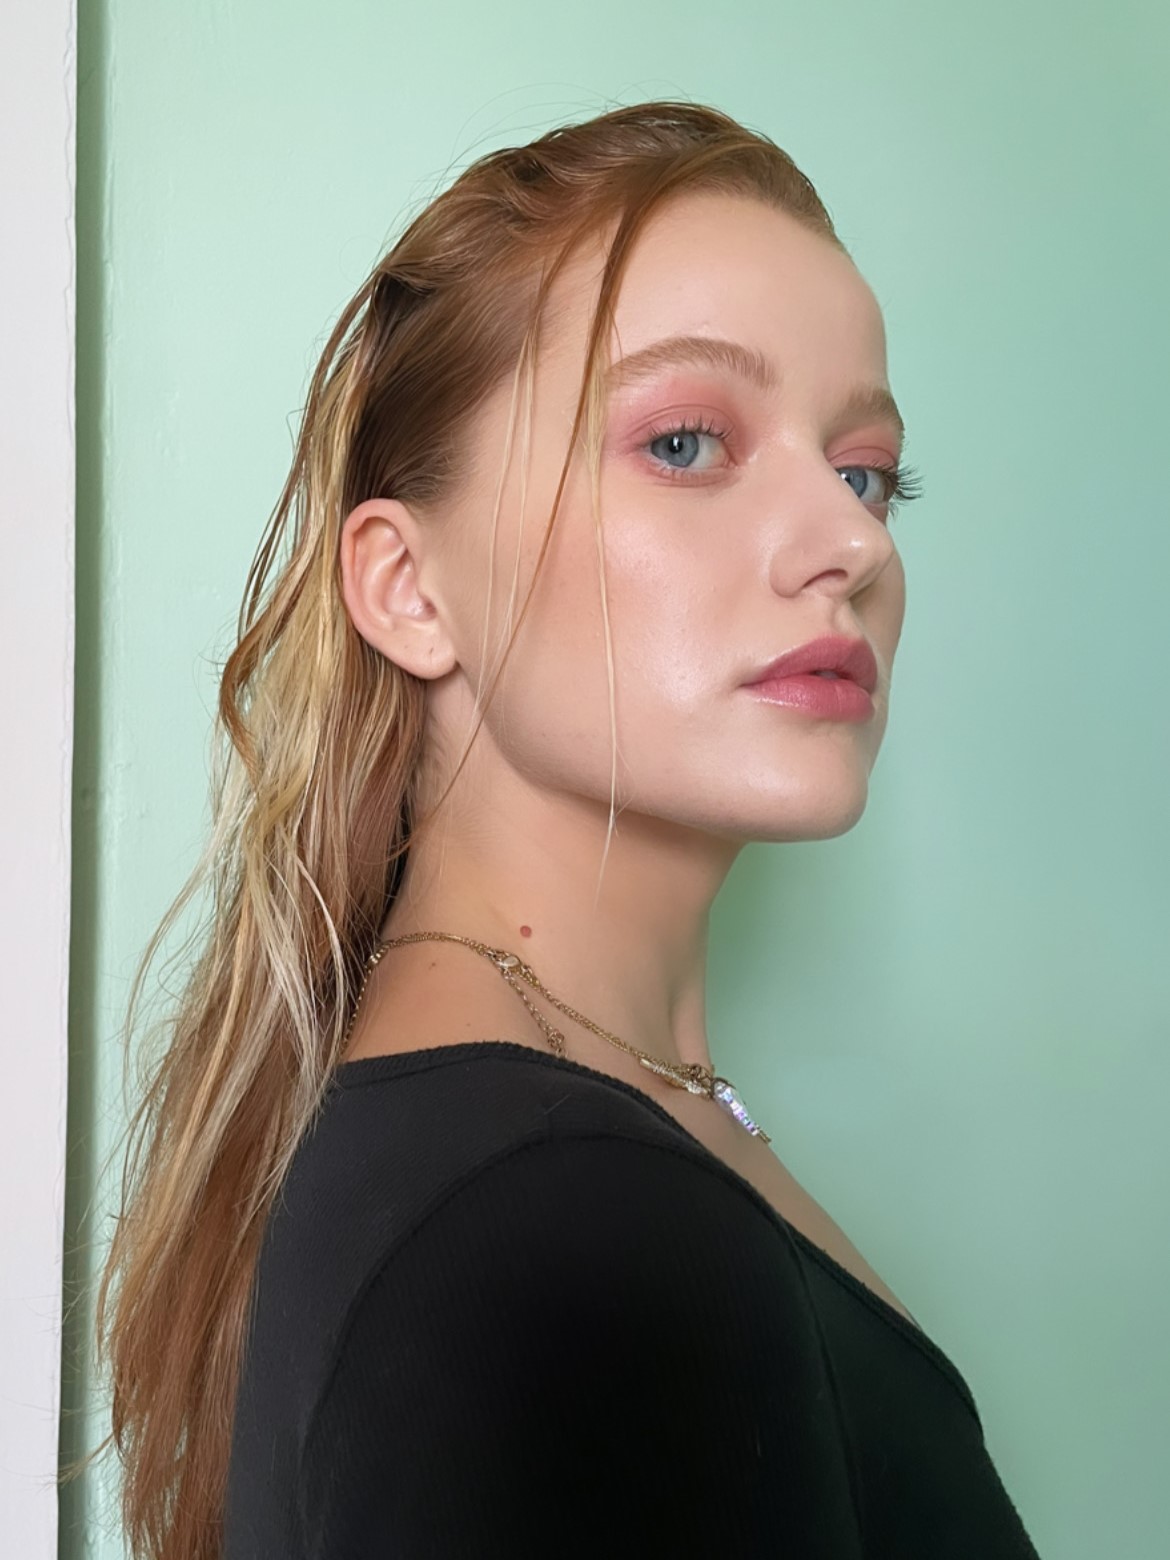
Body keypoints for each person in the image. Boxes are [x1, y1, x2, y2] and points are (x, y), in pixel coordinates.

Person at [82, 101, 1042, 1557]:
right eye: (685, 442)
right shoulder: (554, 1217)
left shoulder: (557, 1142)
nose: (852, 543)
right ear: (409, 589)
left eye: (863, 472)